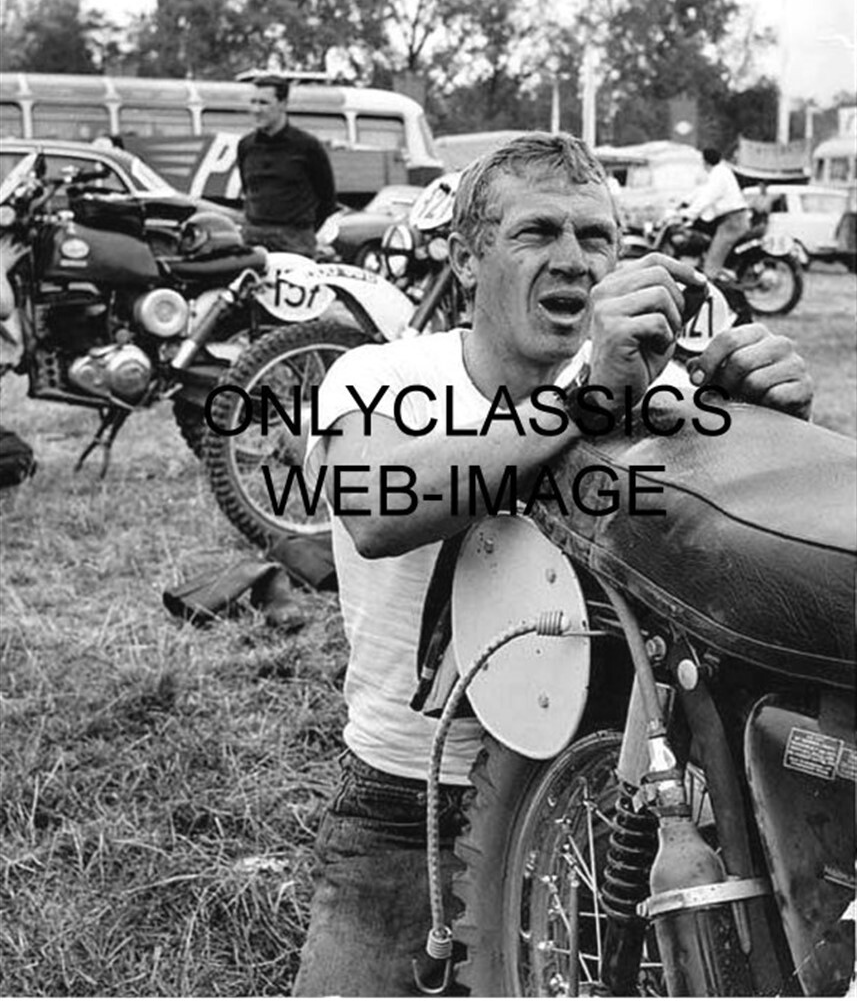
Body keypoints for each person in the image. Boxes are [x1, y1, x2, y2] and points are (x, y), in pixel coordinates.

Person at [293, 132, 813, 997]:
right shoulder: (382, 373)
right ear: (465, 259)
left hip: (599, 805)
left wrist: (773, 428)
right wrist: (586, 401)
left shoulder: (654, 390)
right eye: (536, 232)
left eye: (596, 236)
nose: (573, 258)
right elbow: (376, 509)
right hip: (408, 802)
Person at [236, 75, 337, 257]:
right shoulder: (245, 146)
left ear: (283, 104)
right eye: (253, 102)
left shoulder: (308, 146)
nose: (256, 110)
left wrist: (304, 233)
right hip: (253, 240)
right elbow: (247, 190)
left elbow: (327, 199)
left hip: (295, 243)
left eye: (264, 103)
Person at [681, 146, 751, 276]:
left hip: (733, 221)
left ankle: (710, 284)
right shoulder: (721, 172)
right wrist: (685, 201)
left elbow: (709, 197)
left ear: (705, 162)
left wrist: (690, 213)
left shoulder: (719, 174)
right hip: (733, 219)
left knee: (711, 264)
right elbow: (702, 191)